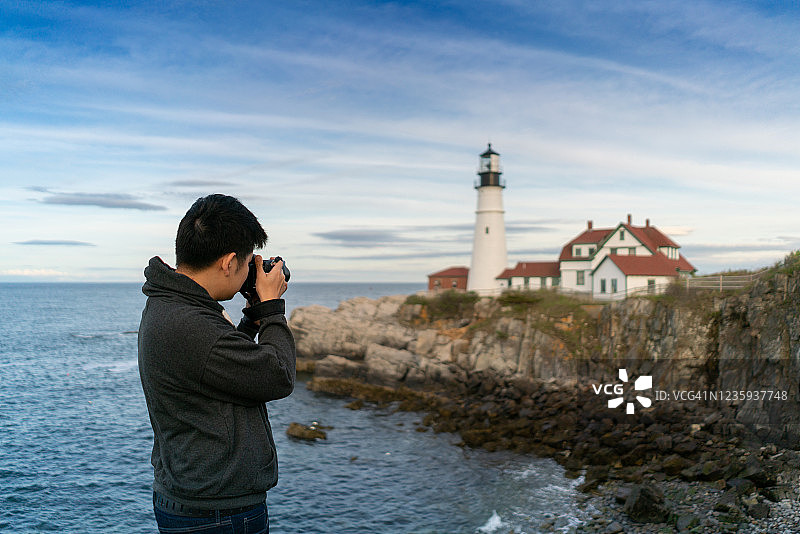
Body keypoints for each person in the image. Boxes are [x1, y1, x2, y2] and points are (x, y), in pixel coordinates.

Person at [138, 194, 296, 534]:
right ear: (227, 263)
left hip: (197, 500)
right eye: (245, 263)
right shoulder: (190, 322)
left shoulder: (173, 304)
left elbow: (218, 366)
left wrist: (253, 319)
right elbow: (278, 376)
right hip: (217, 514)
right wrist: (271, 307)